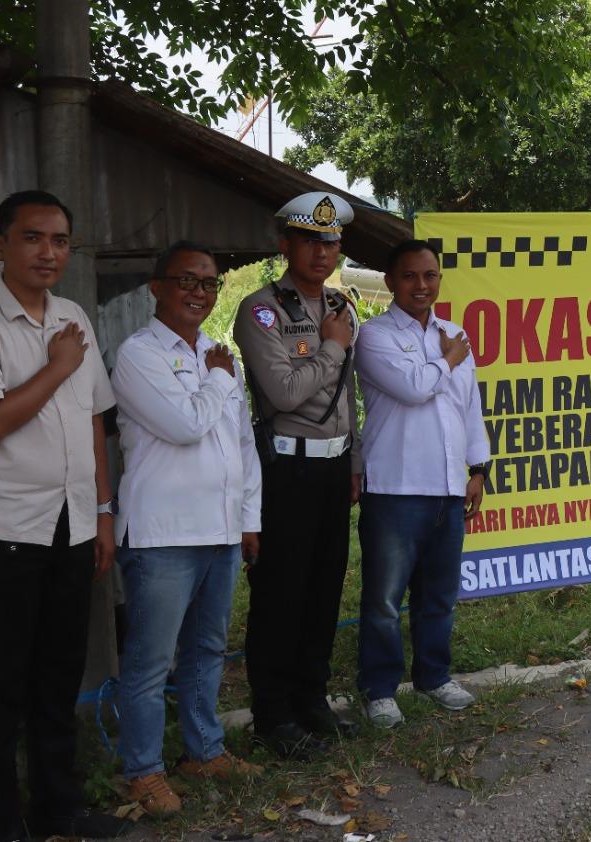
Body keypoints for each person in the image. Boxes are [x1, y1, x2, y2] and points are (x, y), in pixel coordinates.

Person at [0, 190, 129, 842]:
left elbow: (94, 422)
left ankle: (58, 808)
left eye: (60, 240)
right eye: (34, 237)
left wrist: (102, 513)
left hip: (71, 527)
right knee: (0, 685)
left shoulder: (72, 314)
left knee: (58, 676)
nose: (49, 252)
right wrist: (57, 367)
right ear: (1, 246)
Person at [109, 242, 264, 816]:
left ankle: (204, 750)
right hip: (163, 535)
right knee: (151, 662)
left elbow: (242, 445)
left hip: (220, 530)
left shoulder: (218, 355)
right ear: (156, 288)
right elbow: (185, 425)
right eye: (187, 281)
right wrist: (220, 379)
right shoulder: (138, 354)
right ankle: (142, 771)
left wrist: (248, 521)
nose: (199, 292)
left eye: (209, 283)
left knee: (206, 650)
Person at [232, 192, 361, 757]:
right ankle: (273, 714)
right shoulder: (262, 310)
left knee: (323, 589)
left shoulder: (340, 306)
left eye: (331, 242)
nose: (322, 252)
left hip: (333, 470)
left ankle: (312, 699)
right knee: (281, 594)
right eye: (311, 240)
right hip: (285, 469)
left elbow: (345, 397)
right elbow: (283, 393)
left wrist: (354, 460)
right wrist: (331, 350)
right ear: (286, 244)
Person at [353, 239, 491, 725]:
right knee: (385, 600)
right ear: (391, 281)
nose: (421, 285)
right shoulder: (373, 336)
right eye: (410, 276)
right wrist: (446, 360)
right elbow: (413, 388)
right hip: (395, 488)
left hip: (448, 488)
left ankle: (434, 677)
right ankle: (379, 688)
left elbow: (468, 407)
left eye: (430, 276)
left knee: (438, 595)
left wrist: (478, 469)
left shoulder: (455, 334)